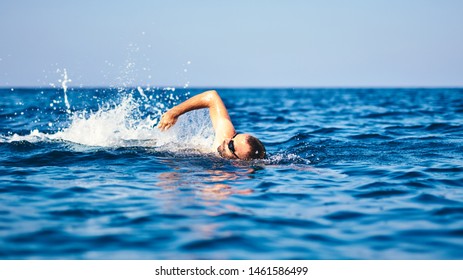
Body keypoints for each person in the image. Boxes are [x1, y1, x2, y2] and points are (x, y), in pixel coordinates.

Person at [158, 90, 266, 160]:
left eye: (231, 146)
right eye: (235, 136)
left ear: (238, 162)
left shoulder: (224, 176)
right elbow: (212, 97)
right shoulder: (227, 136)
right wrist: (174, 112)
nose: (227, 140)